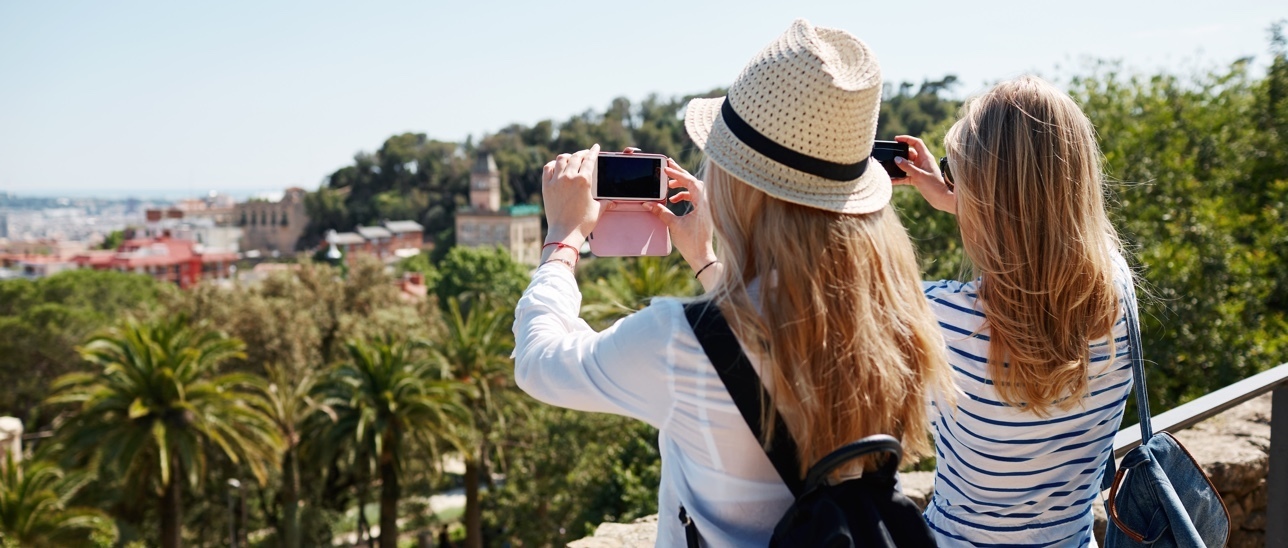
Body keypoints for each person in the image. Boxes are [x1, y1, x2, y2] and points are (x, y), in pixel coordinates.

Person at [512, 19, 953, 546]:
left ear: (741, 183)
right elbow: (770, 334)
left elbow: (542, 363)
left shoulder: (678, 342)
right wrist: (704, 257)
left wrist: (562, 239)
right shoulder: (902, 317)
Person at [894, 75, 1135, 547]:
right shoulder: (1118, 295)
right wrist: (969, 198)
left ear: (982, 194)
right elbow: (1055, 221)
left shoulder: (943, 318)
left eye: (955, 171)